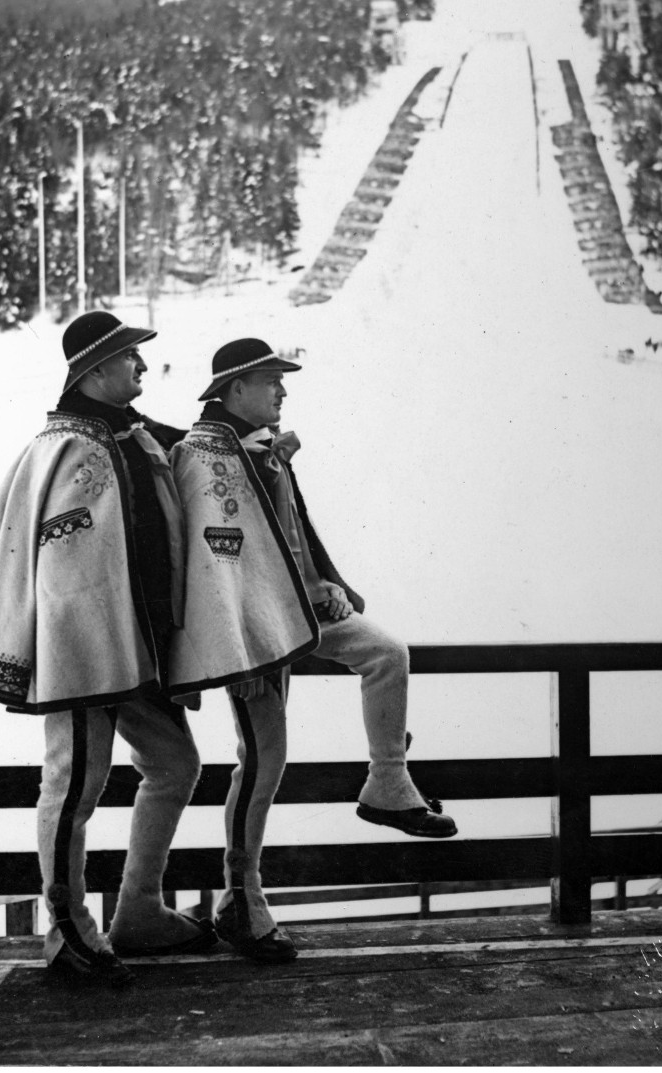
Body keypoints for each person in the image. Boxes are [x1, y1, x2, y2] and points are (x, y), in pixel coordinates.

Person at [167, 338, 457, 963]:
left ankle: (388, 782)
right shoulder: (201, 456)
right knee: (265, 760)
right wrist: (234, 654)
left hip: (298, 611)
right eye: (273, 380)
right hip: (250, 633)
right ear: (236, 388)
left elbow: (290, 534)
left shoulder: (266, 448)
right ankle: (242, 901)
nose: (283, 391)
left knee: (386, 653)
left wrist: (323, 583)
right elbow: (208, 567)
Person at [0, 311, 216, 987]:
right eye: (131, 358)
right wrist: (64, 620)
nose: (143, 368)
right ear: (96, 370)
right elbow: (12, 529)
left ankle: (136, 909)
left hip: (134, 649)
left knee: (174, 761)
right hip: (80, 649)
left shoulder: (125, 435)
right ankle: (68, 930)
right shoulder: (59, 444)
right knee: (75, 780)